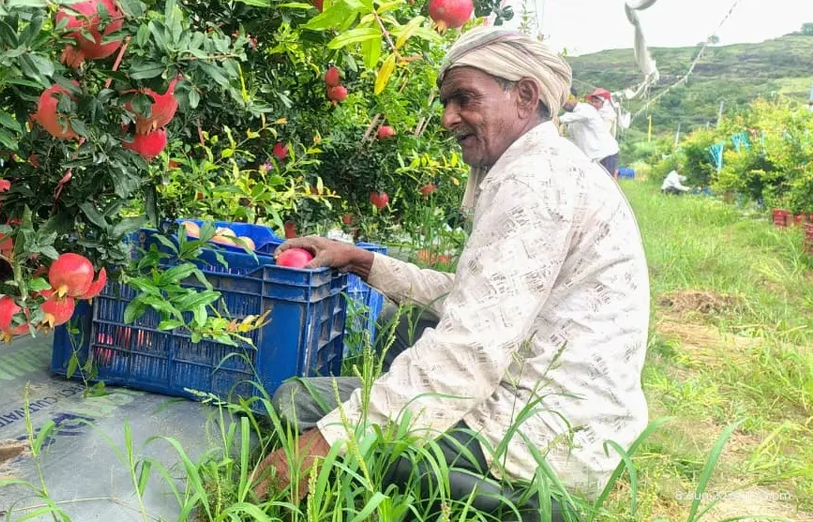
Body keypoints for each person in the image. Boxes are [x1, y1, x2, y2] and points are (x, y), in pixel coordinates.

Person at [252, 27, 650, 518]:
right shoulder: (551, 166)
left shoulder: (535, 180)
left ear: (524, 95)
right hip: (579, 421)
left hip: (543, 437)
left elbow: (469, 349)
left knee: (301, 406)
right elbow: (476, 297)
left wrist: (331, 439)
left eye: (464, 98)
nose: (447, 118)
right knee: (392, 339)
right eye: (446, 102)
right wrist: (362, 260)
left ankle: (501, 504)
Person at [559, 94, 619, 176]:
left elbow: (564, 119)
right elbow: (575, 139)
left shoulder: (586, 109)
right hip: (592, 157)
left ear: (573, 98)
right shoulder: (571, 120)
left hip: (605, 154)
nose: (564, 104)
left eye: (566, 100)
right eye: (562, 102)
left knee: (607, 185)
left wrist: (557, 120)